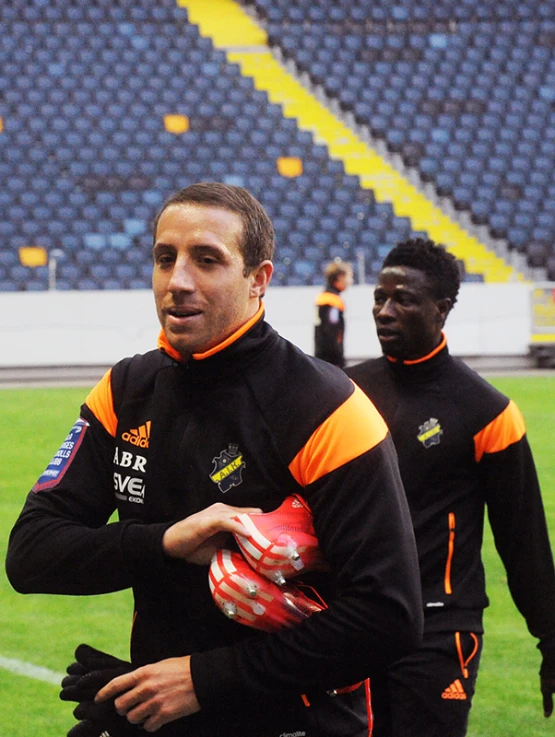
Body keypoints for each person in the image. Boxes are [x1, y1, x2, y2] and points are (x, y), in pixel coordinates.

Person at [6, 183, 423, 737]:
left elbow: (389, 617)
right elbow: (30, 554)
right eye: (164, 258)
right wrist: (165, 542)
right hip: (163, 711)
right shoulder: (126, 389)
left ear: (258, 279)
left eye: (207, 260)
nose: (177, 281)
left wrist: (205, 682)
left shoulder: (326, 407)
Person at [345, 237, 555, 737]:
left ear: (442, 309)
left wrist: (551, 640)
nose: (385, 311)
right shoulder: (343, 393)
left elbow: (523, 542)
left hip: (439, 631)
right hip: (353, 621)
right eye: (379, 297)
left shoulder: (488, 412)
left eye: (404, 300)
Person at [314, 259, 353, 368]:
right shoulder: (332, 301)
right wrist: (339, 359)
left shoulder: (323, 298)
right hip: (330, 360)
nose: (351, 281)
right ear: (340, 277)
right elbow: (331, 332)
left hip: (321, 356)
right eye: (349, 277)